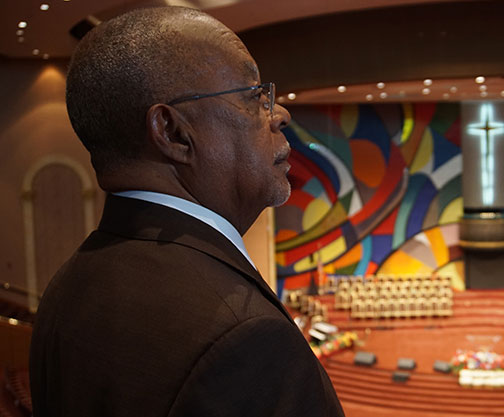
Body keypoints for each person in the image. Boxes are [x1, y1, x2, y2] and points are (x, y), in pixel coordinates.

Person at [29, 6, 344, 417]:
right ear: (174, 133)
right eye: (253, 97)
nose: (280, 114)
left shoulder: (66, 287)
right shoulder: (243, 335)